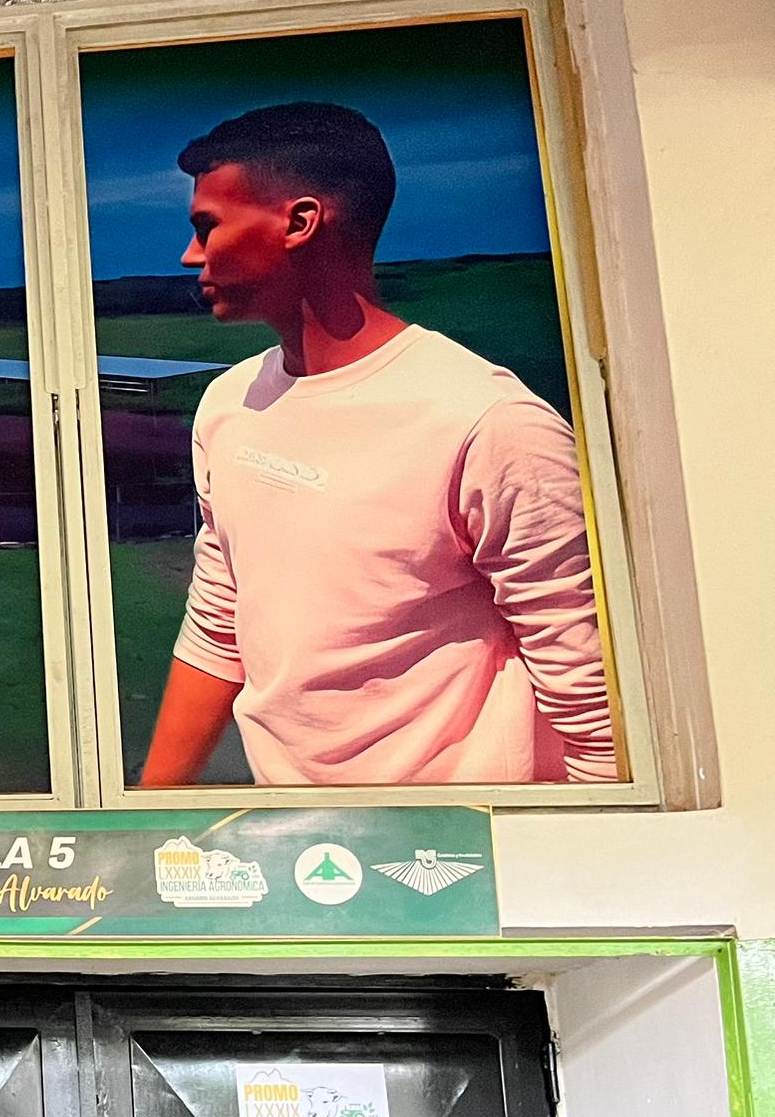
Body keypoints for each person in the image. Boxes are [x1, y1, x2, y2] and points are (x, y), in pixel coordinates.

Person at [137, 102, 617, 787]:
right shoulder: (230, 404)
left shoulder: (489, 422)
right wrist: (145, 814)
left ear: (300, 223)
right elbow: (219, 625)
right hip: (288, 827)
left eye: (207, 226)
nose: (191, 255)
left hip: (460, 840)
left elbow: (593, 707)